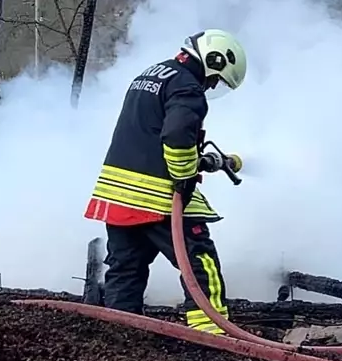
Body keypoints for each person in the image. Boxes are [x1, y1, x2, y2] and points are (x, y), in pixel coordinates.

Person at [84, 29, 248, 334]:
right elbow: (174, 134)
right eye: (216, 78)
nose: (212, 85)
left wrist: (199, 159)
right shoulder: (187, 87)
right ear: (213, 60)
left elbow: (150, 133)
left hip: (118, 194)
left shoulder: (153, 74)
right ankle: (212, 336)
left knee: (125, 269)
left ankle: (124, 336)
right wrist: (185, 176)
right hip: (158, 194)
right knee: (201, 262)